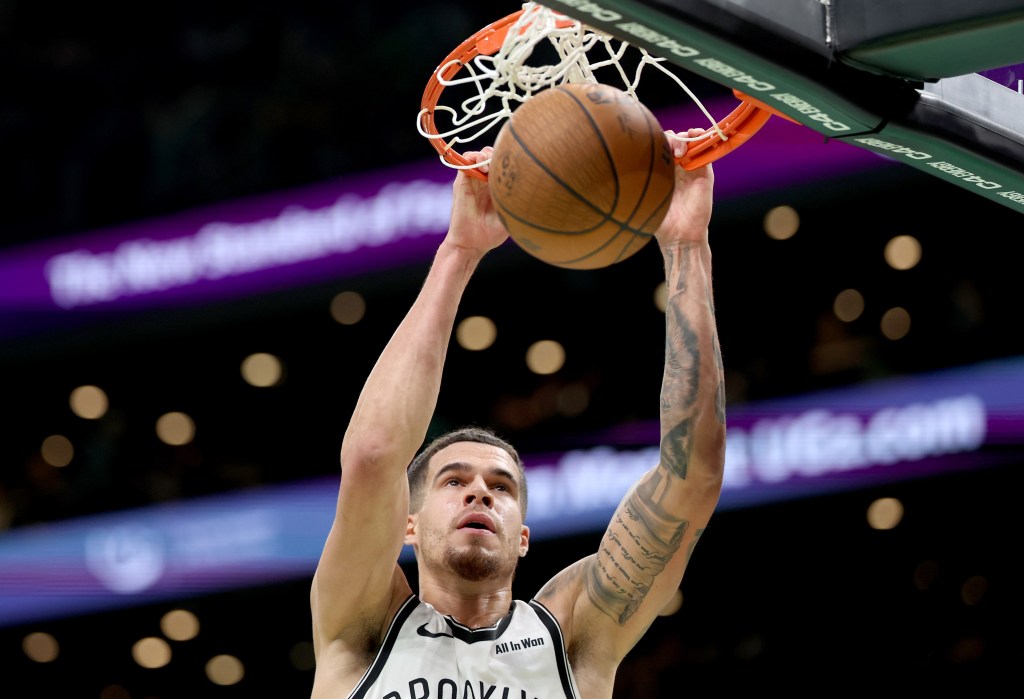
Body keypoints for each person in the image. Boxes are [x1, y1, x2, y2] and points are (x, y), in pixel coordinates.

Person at [309, 129, 725, 699]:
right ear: (405, 524)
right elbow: (374, 456)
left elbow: (692, 474)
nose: (479, 492)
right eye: (453, 481)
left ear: (523, 537)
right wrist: (459, 252)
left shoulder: (573, 635)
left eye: (501, 487)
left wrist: (685, 248)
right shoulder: (363, 628)